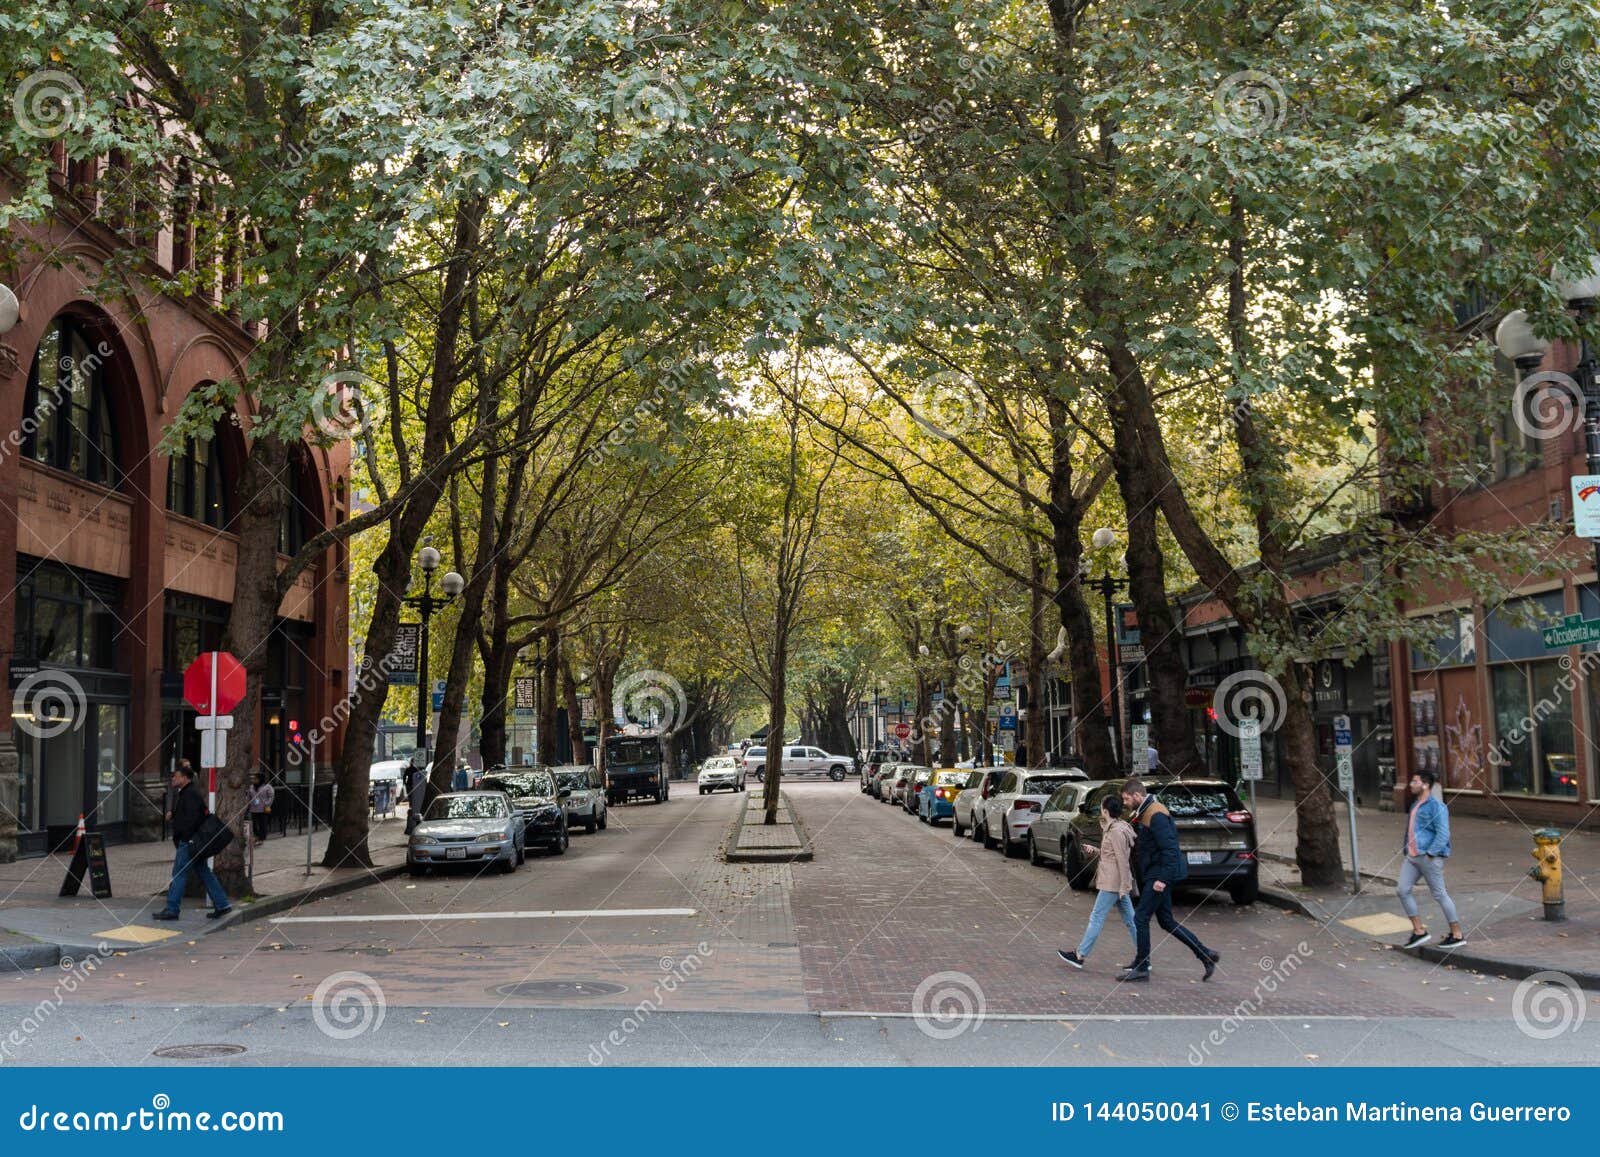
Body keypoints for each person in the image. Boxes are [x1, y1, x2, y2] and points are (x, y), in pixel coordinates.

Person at [1118, 777, 1219, 982]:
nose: (1125, 803)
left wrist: (1162, 879)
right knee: (1166, 921)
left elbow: (1171, 850)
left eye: (1127, 799)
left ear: (1137, 795)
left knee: (1140, 918)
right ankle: (1206, 955)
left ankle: (1142, 965)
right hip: (1156, 873)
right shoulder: (1146, 811)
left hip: (1159, 875)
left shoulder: (1156, 815)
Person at [1058, 795, 1138, 969]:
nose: (1101, 810)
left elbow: (1122, 860)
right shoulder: (1115, 827)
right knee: (1132, 920)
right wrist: (1095, 850)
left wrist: (1125, 885)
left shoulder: (1116, 831)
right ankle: (1144, 957)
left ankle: (1079, 955)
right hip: (1116, 882)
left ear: (1106, 811)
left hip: (1113, 883)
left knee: (1096, 917)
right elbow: (1111, 854)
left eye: (1102, 807)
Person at [152, 764, 231, 921]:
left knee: (179, 873)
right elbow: (188, 814)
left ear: (185, 778)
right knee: (204, 872)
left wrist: (186, 838)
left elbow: (192, 818)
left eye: (176, 776)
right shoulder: (187, 792)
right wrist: (174, 814)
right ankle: (222, 904)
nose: (173, 778)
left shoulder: (190, 794)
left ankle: (172, 909)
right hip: (193, 841)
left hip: (189, 841)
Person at [1397, 770, 1464, 949]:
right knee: (1402, 890)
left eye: (1414, 781)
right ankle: (1419, 931)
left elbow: (1443, 833)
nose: (1411, 784)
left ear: (1425, 785)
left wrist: (1431, 854)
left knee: (1439, 894)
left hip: (1428, 857)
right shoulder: (1415, 805)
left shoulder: (1437, 806)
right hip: (1412, 856)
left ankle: (1457, 934)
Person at [248, 773, 274, 845]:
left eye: (255, 779)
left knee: (262, 824)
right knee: (254, 824)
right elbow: (249, 796)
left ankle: (261, 839)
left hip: (263, 809)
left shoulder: (267, 787)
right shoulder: (251, 787)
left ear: (260, 779)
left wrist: (267, 804)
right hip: (253, 809)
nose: (254, 780)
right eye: (253, 779)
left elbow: (271, 797)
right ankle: (257, 836)